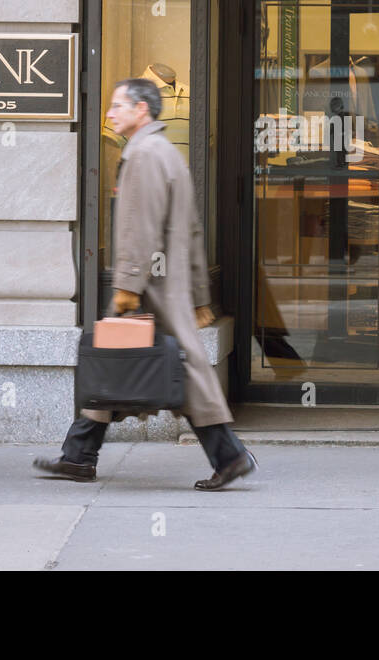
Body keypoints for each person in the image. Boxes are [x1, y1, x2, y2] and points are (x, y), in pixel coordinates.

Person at [34, 78, 257, 490]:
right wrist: (198, 294)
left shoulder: (142, 154)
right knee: (132, 361)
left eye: (118, 105)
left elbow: (139, 226)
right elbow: (191, 231)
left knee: (132, 361)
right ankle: (79, 455)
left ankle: (229, 455)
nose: (110, 113)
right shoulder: (169, 153)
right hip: (167, 286)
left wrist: (127, 286)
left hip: (148, 287)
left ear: (142, 110)